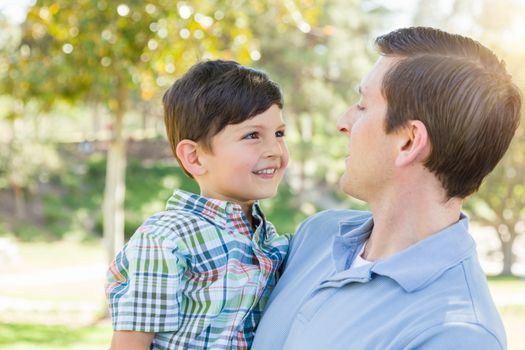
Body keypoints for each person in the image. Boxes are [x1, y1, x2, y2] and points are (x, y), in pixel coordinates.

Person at [252, 27, 522, 350]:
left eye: (363, 106)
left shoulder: (458, 335)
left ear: (408, 141)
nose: (342, 121)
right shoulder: (317, 235)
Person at [106, 60, 290, 350]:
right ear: (194, 157)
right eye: (252, 135)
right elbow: (130, 345)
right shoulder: (166, 239)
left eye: (279, 134)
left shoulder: (269, 239)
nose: (274, 150)